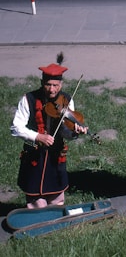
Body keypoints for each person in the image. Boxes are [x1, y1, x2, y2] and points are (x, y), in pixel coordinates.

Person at [10, 54, 88, 208]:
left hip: (56, 154)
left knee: (57, 198)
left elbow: (66, 131)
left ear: (61, 84)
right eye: (48, 85)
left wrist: (75, 131)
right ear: (42, 82)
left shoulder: (66, 100)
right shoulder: (29, 99)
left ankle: (56, 224)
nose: (52, 90)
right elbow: (16, 127)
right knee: (36, 201)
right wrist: (37, 136)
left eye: (55, 85)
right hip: (35, 154)